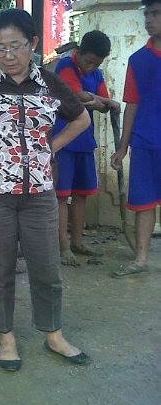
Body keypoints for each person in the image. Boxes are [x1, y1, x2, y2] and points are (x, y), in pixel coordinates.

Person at [0, 9, 91, 371]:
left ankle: (53, 333)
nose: (8, 55)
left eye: (16, 47)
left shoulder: (50, 82)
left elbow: (81, 118)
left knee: (46, 266)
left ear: (33, 44)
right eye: (0, 47)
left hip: (39, 193)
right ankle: (6, 338)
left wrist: (51, 147)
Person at [52, 30, 121, 266]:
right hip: (63, 140)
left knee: (81, 194)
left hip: (84, 142)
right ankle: (63, 246)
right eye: (88, 61)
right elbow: (75, 94)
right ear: (79, 53)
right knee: (62, 196)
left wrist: (95, 101)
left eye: (96, 64)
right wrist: (95, 101)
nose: (91, 67)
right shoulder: (65, 66)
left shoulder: (97, 73)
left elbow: (104, 101)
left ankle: (78, 242)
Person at [111, 0, 161, 277]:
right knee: (144, 203)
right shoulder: (138, 59)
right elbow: (132, 104)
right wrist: (122, 147)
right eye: (146, 14)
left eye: (155, 13)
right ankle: (141, 258)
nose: (149, 20)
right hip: (144, 142)